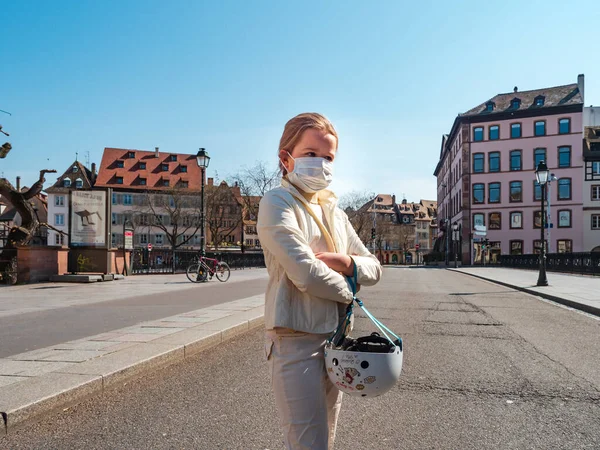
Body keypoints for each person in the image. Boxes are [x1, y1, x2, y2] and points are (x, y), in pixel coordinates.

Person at [257, 112, 382, 449]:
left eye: (328, 157)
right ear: (286, 158)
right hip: (294, 337)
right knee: (307, 441)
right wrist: (350, 292)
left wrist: (347, 262)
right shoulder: (276, 202)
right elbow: (306, 274)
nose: (321, 164)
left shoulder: (335, 212)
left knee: (325, 437)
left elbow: (375, 268)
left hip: (335, 338)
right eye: (310, 154)